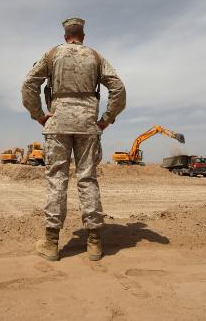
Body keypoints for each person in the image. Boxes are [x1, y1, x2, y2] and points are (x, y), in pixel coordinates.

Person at [21, 17, 126, 261]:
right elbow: (118, 88)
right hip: (88, 125)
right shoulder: (95, 57)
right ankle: (94, 244)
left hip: (57, 125)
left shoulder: (52, 55)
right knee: (87, 179)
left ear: (65, 36)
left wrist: (39, 116)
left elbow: (29, 84)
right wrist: (106, 119)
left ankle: (51, 244)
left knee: (57, 179)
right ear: (83, 36)